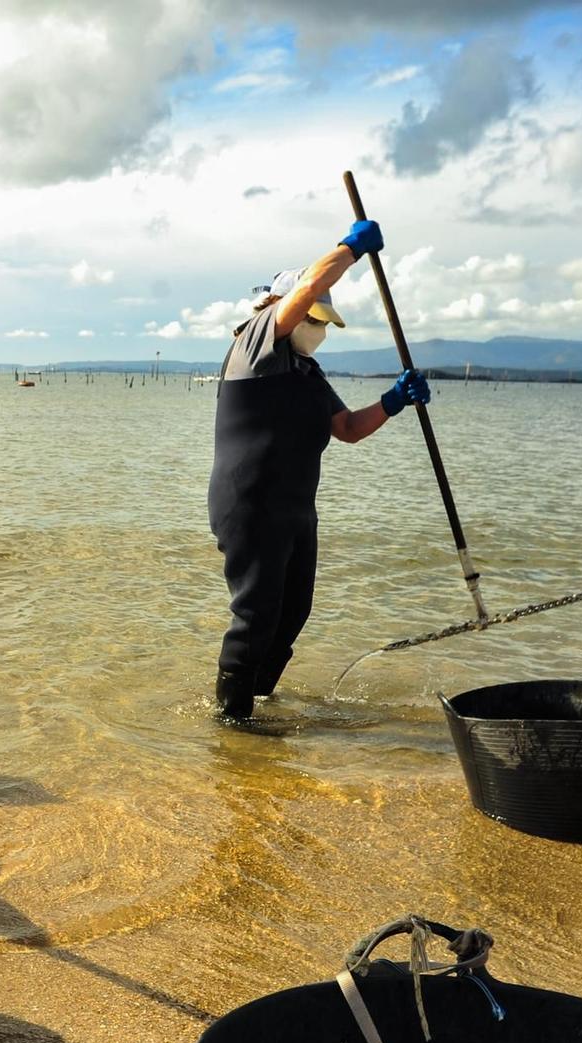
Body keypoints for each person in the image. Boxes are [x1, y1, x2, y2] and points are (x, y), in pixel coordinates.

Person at [208, 222, 432, 719]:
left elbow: (348, 427)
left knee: (292, 613)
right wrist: (351, 249)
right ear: (279, 309)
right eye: (315, 317)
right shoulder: (255, 344)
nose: (322, 329)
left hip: (295, 510)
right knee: (256, 613)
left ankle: (258, 699)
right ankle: (232, 721)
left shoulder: (307, 374)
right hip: (250, 504)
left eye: (325, 321)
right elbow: (308, 286)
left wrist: (393, 402)